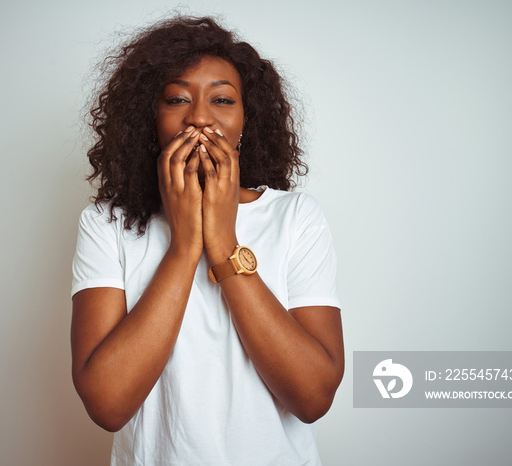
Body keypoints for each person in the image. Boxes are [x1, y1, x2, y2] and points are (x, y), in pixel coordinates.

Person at [70, 16, 344, 466]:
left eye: (221, 99)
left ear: (245, 121)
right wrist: (184, 247)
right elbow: (108, 405)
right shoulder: (106, 224)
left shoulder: (296, 217)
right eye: (177, 99)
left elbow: (313, 398)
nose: (198, 117)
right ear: (148, 119)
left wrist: (222, 241)